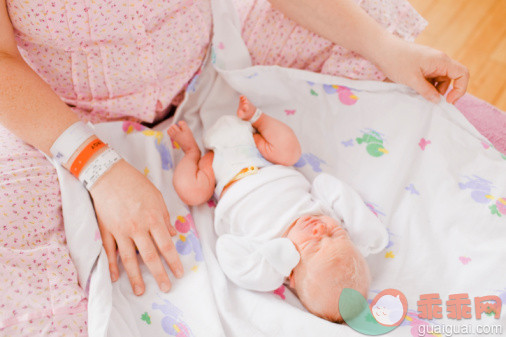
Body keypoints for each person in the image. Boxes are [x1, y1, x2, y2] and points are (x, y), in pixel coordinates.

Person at [0, 0, 468, 333]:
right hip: (64, 117)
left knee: (371, 28)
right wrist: (97, 167)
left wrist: (390, 51)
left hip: (210, 78)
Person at [168, 95, 387, 322]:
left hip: (219, 172)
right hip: (261, 153)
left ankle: (191, 152)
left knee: (191, 191)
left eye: (314, 244)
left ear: (291, 272)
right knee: (291, 151)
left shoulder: (268, 252)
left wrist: (274, 263)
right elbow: (325, 183)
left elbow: (226, 249)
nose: (320, 230)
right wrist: (363, 233)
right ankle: (257, 117)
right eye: (335, 233)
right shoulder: (320, 214)